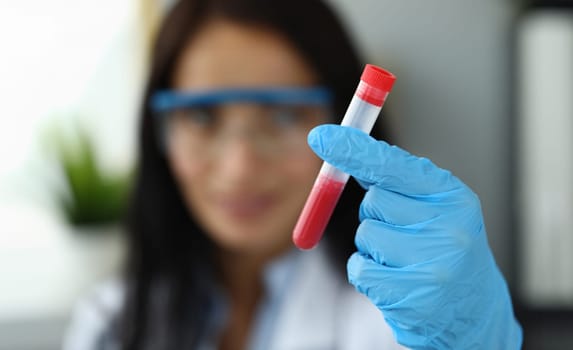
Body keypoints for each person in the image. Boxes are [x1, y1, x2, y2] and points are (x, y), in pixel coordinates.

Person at [63, 0, 523, 349]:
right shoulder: (111, 322)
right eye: (202, 117)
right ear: (157, 131)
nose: (239, 166)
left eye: (282, 116)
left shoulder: (401, 319)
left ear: (347, 122)